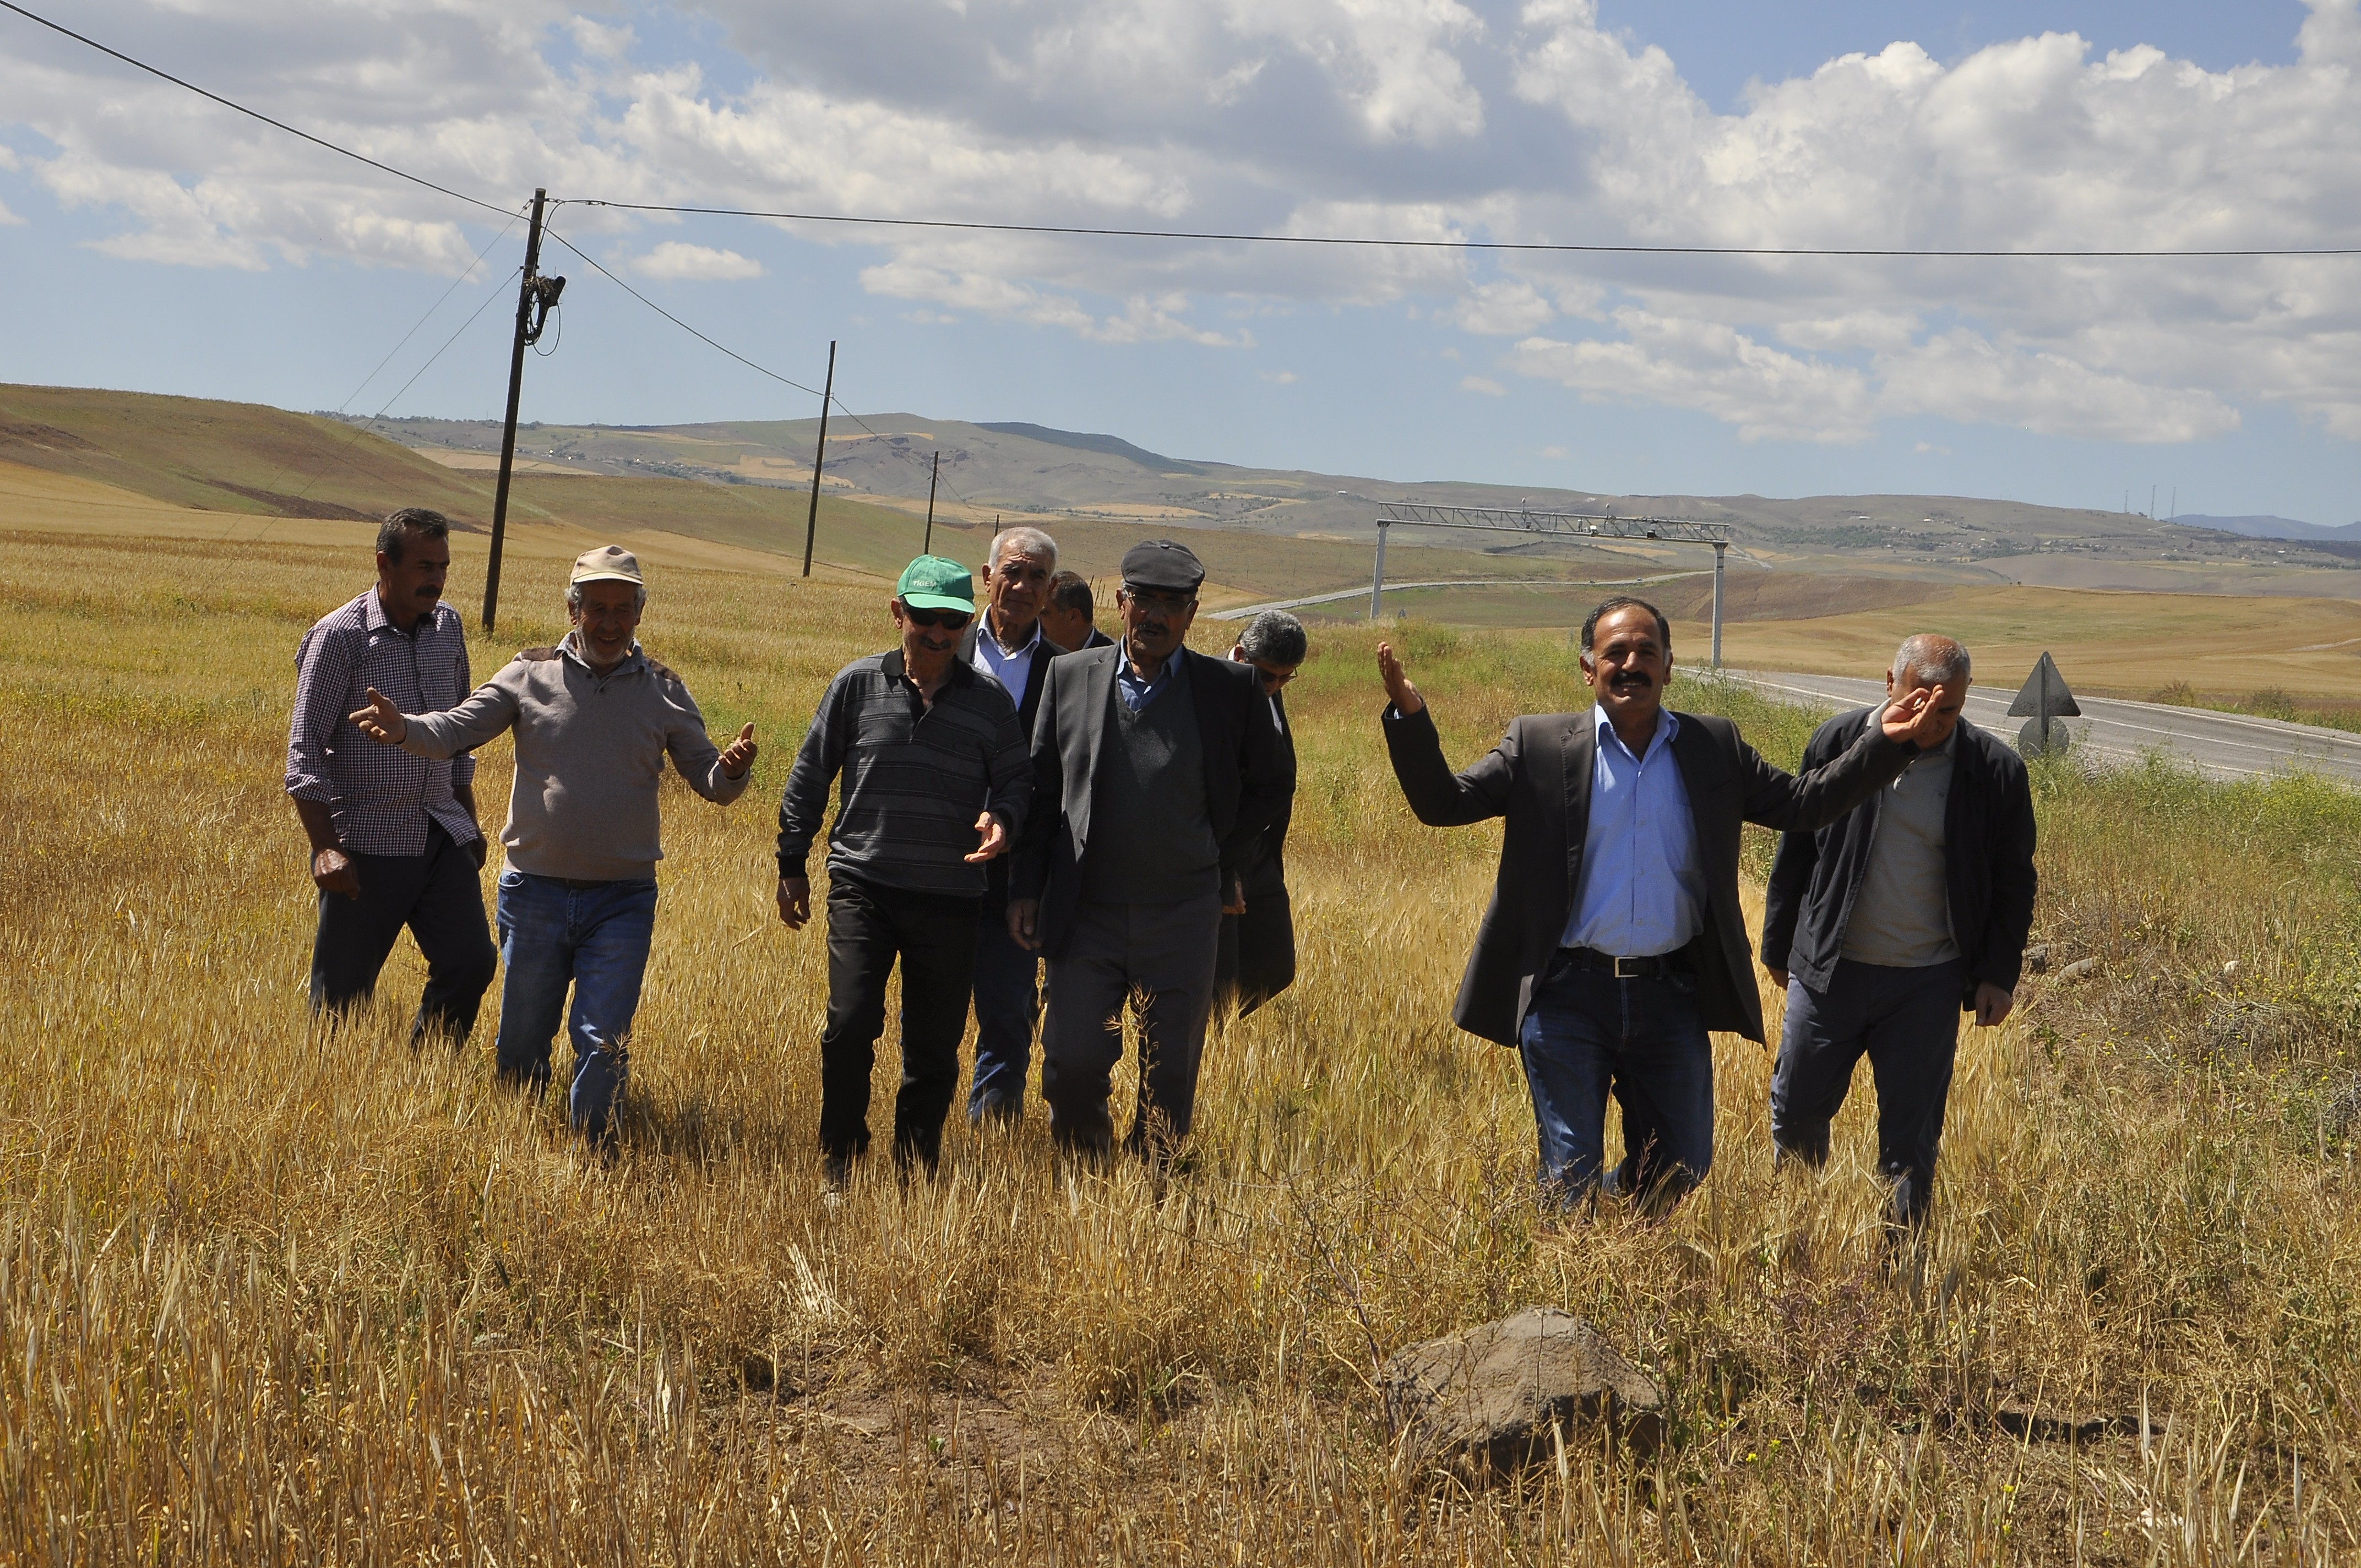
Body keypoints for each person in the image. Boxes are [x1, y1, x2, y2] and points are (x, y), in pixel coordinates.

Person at [1376, 595, 1944, 1212]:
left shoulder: (1712, 746)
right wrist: (1409, 716)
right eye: (1615, 652)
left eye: (1647, 651)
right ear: (1588, 668)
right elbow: (1444, 804)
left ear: (1669, 667)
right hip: (1567, 993)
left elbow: (1804, 805)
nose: (1631, 664)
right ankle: (1570, 1295)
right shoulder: (1538, 745)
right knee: (1570, 1173)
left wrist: (1886, 745)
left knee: (1683, 1167)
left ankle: (1623, 1216)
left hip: (1668, 995)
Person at [349, 546, 757, 1146]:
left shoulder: (664, 689)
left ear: (640, 613)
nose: (611, 622)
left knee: (602, 1037)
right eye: (597, 608)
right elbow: (457, 728)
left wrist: (733, 770)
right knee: (521, 1041)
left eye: (623, 609)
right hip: (533, 892)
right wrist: (406, 728)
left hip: (622, 899)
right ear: (573, 609)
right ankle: (520, 1150)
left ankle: (594, 1151)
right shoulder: (529, 673)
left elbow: (712, 784)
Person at [1009, 539, 1290, 1159]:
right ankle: (1088, 1174)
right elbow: (1040, 789)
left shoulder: (1229, 689)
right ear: (1121, 601)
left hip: (1185, 913)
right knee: (1070, 1065)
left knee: (1168, 1082)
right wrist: (1027, 886)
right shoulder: (1069, 675)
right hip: (1087, 912)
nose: (1156, 617)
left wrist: (1225, 855)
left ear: (1193, 614)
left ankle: (1155, 1190)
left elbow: (1273, 782)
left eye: (1173, 604)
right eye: (1144, 601)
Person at [1760, 635, 2037, 1234]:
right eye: (1920, 703)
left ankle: (1896, 1264)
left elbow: (2014, 882)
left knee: (1910, 1139)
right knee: (1797, 1111)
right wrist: (1778, 944)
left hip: (1926, 984)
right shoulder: (1838, 741)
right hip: (1829, 970)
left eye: (1949, 711)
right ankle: (1797, 1239)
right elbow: (1797, 845)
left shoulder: (1993, 772)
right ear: (1890, 683)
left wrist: (1997, 974)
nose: (1932, 723)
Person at [777, 556, 1032, 1184]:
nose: (939, 634)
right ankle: (840, 1158)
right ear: (898, 613)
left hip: (950, 896)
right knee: (848, 1024)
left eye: (952, 622)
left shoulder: (991, 704)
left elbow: (1016, 784)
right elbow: (810, 776)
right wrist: (791, 861)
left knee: (933, 1049)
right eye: (925, 619)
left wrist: (1003, 819)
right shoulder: (855, 686)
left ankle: (914, 1170)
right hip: (863, 886)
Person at [286, 508, 497, 1043]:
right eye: (425, 565)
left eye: (443, 566)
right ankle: (330, 1094)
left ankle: (427, 1073)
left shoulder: (448, 628)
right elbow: (305, 749)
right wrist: (325, 849)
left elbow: (457, 730)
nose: (437, 579)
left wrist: (467, 819)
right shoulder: (339, 638)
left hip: (439, 832)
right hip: (368, 845)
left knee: (471, 962)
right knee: (341, 1002)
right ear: (385, 563)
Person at [959, 527, 1062, 1123]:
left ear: (1050, 592)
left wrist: (1032, 884)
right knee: (932, 1011)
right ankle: (918, 1144)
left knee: (1007, 1011)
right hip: (940, 865)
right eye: (1013, 572)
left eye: (1037, 577)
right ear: (987, 575)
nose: (1022, 587)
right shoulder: (943, 647)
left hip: (1018, 878)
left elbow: (1057, 792)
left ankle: (988, 1147)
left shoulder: (1066, 673)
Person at [1214, 611, 1306, 1017]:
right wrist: (1224, 869)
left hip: (1262, 861)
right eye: (1270, 677)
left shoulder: (1268, 690)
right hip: (1219, 858)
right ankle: (1200, 1043)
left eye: (1288, 678)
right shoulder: (1207, 695)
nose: (1276, 687)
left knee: (1276, 967)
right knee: (1219, 983)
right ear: (1239, 655)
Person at [1040, 570, 1115, 652]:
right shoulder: (1035, 654)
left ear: (1073, 617)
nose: (1036, 620)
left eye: (1043, 613)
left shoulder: (1115, 659)